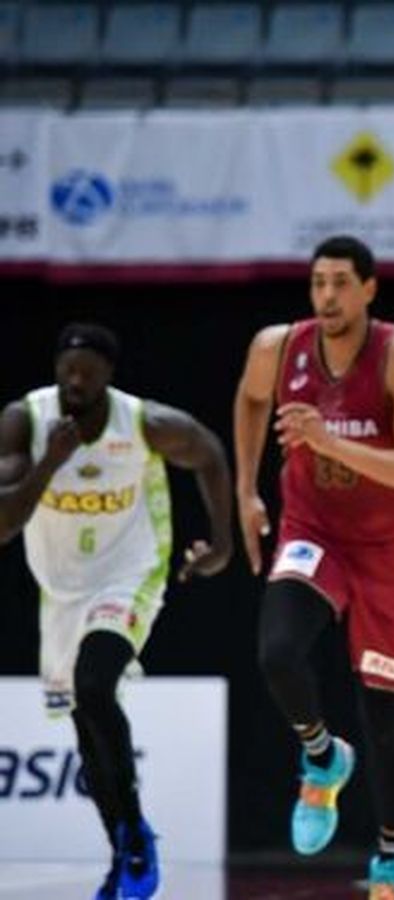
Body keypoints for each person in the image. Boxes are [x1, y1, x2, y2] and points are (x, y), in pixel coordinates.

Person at [234, 235, 394, 900]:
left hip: (389, 546)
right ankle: (322, 757)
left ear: (369, 288)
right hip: (313, 530)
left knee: (384, 713)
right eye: (318, 282)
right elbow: (248, 400)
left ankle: (390, 860)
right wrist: (246, 491)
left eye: (340, 283)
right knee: (278, 651)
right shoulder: (278, 346)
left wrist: (328, 442)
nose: (326, 296)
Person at [0, 323, 234, 900]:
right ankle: (122, 847)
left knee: (95, 683)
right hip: (60, 590)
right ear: (57, 370)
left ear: (109, 377)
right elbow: (5, 524)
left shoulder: (145, 424)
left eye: (88, 371)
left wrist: (222, 544)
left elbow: (208, 453)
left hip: (130, 575)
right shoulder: (25, 421)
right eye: (68, 369)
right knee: (85, 723)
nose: (76, 380)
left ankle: (135, 838)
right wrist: (49, 463)